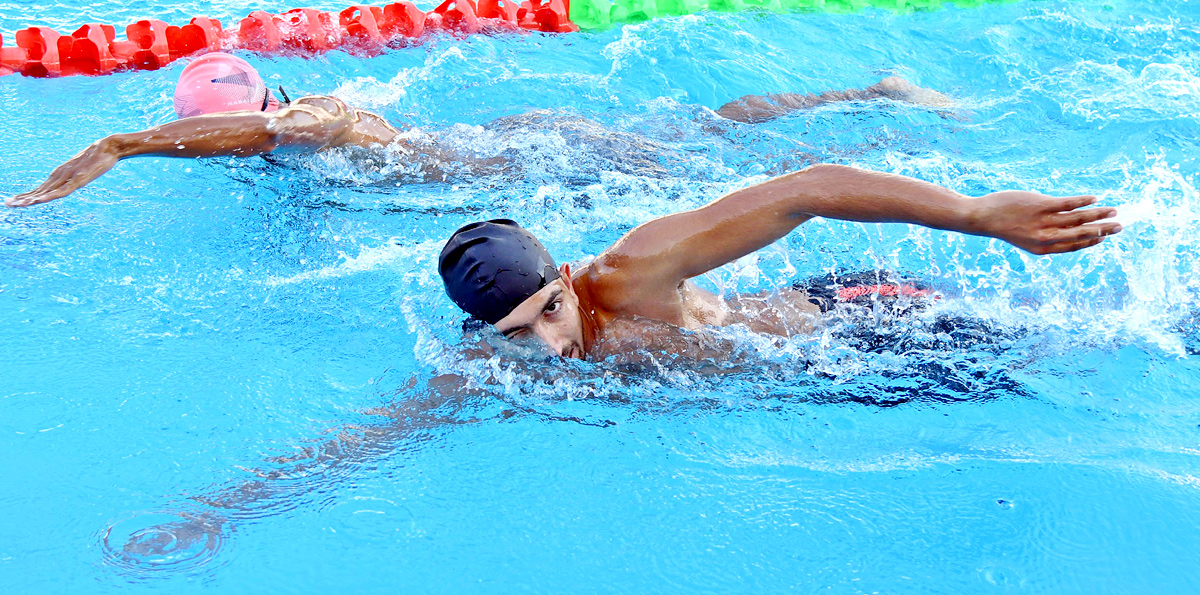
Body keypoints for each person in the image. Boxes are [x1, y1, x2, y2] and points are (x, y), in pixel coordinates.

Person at [6, 52, 953, 208]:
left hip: (536, 160)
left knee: (716, 166)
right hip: (521, 139)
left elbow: (276, 135)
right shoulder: (303, 115)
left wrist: (125, 147)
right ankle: (868, 92)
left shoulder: (305, 121)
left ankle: (876, 120)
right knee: (703, 129)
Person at [438, 165, 1123, 361]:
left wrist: (977, 214)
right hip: (826, 365)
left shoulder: (631, 270)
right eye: (521, 333)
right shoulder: (500, 352)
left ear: (564, 280)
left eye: (550, 312)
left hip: (866, 324)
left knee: (1108, 336)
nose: (551, 345)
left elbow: (807, 192)